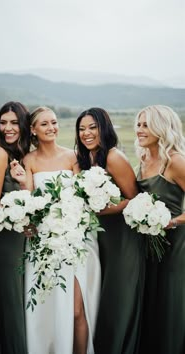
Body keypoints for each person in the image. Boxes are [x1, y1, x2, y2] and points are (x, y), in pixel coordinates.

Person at [11, 106, 101, 354]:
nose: (51, 128)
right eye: (44, 124)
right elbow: (29, 203)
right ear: (33, 130)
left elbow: (84, 196)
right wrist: (21, 183)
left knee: (75, 309)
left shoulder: (73, 156)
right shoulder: (28, 161)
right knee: (47, 306)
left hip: (76, 239)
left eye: (54, 122)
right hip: (43, 243)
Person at [75, 107, 145, 354]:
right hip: (100, 239)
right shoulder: (86, 159)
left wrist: (102, 209)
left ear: (104, 127)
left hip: (122, 238)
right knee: (104, 298)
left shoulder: (114, 157)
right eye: (82, 129)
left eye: (92, 127)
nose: (86, 133)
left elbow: (135, 199)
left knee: (119, 298)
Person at [135, 105, 185, 354]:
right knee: (152, 299)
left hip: (176, 243)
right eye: (139, 124)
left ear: (162, 127)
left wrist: (172, 221)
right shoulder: (144, 158)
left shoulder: (175, 161)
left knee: (170, 301)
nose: (139, 130)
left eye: (146, 125)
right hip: (149, 244)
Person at [0, 101, 30, 354]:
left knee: (19, 303)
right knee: (10, 303)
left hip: (19, 240)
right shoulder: (0, 154)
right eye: (3, 122)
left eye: (13, 122)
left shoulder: (18, 155)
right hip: (4, 243)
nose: (8, 128)